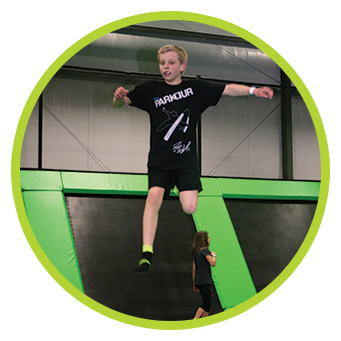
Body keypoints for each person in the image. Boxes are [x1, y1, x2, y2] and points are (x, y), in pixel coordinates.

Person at [113, 45, 273, 274]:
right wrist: (119, 97)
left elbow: (227, 89)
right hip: (160, 158)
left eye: (171, 62)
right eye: (162, 63)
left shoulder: (195, 89)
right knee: (153, 196)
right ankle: (146, 252)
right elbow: (124, 102)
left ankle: (178, 188)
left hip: (186, 159)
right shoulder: (151, 90)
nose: (166, 67)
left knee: (189, 207)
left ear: (182, 66)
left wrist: (253, 91)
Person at [191, 231, 216, 319]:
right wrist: (213, 255)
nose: (209, 239)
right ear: (204, 240)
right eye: (208, 238)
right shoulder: (204, 251)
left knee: (207, 303)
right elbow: (212, 263)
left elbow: (194, 270)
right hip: (205, 280)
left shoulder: (196, 252)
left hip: (199, 280)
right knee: (207, 303)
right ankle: (195, 319)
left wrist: (194, 283)